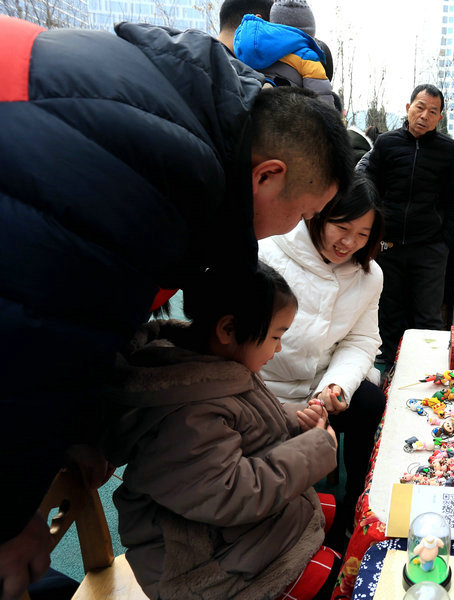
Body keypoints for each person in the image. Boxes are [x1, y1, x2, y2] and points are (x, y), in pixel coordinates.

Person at [0, 17, 353, 599]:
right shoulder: (153, 172)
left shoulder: (173, 114)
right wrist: (13, 520)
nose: (297, 231)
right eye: (302, 214)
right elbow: (33, 344)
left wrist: (88, 434)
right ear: (268, 176)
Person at [103, 262, 340, 599]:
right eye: (276, 336)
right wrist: (316, 449)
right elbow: (232, 492)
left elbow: (247, 424)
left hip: (232, 538)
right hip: (208, 566)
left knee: (340, 527)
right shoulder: (186, 411)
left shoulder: (213, 365)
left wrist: (292, 418)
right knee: (342, 578)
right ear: (228, 329)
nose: (278, 349)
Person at [258, 176, 387, 545]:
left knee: (369, 402)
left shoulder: (368, 274)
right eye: (342, 228)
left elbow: (361, 340)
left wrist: (334, 387)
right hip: (265, 387)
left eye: (363, 234)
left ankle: (352, 512)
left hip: (319, 388)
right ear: (318, 215)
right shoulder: (268, 251)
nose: (350, 243)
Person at [364, 84, 454, 366]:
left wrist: (445, 241)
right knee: (388, 308)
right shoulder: (386, 143)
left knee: (428, 314)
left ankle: (426, 363)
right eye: (420, 107)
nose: (424, 115)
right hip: (389, 243)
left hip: (430, 246)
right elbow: (370, 185)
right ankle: (386, 365)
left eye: (433, 111)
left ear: (439, 117)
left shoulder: (449, 150)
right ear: (408, 107)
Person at [233, 5, 334, 105]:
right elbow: (321, 97)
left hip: (246, 106)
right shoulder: (307, 55)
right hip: (284, 112)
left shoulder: (242, 44)